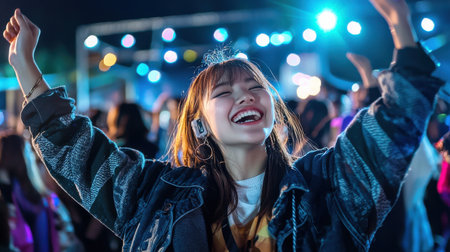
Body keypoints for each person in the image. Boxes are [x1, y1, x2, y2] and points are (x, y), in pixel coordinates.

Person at [2, 0, 444, 250]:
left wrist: (401, 29)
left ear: (272, 107)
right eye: (224, 93)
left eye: (254, 87)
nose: (246, 96)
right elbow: (79, 152)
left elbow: (395, 125)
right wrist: (25, 68)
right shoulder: (156, 196)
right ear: (198, 125)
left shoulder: (328, 187)